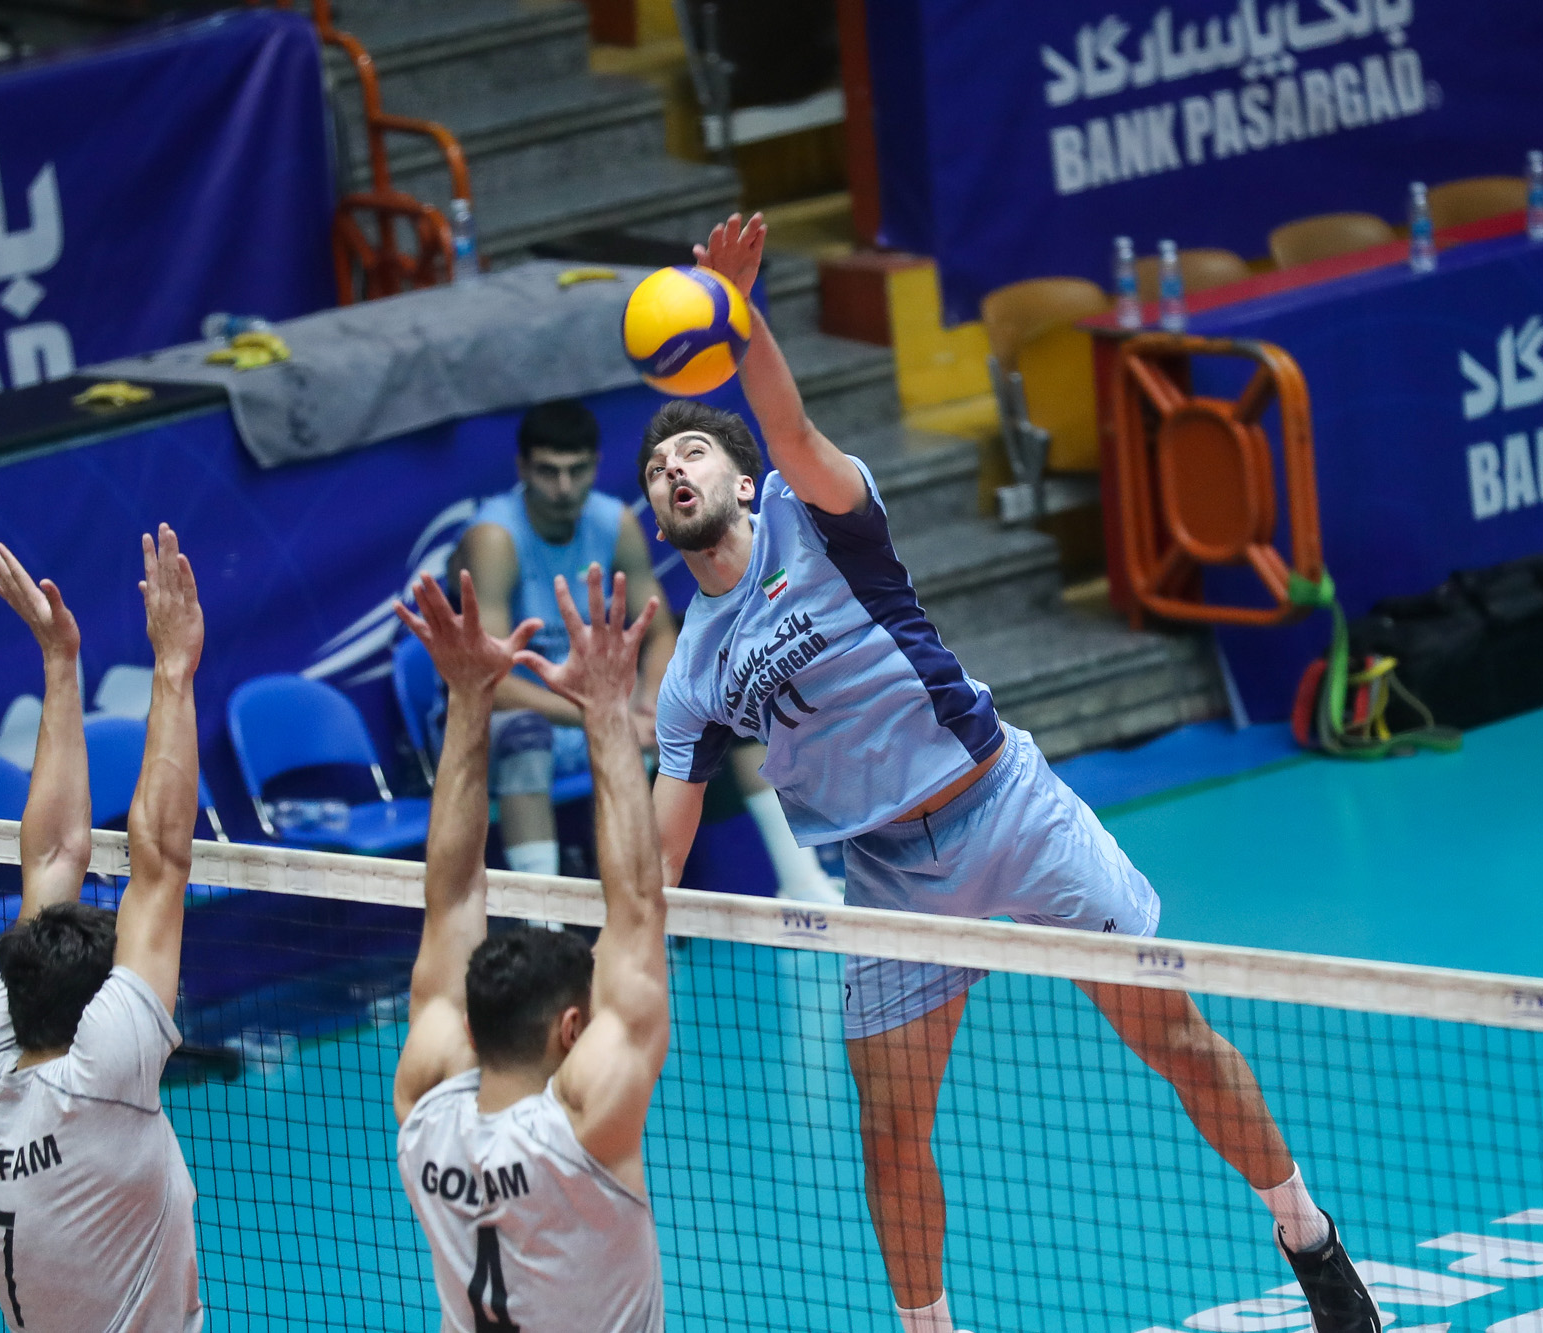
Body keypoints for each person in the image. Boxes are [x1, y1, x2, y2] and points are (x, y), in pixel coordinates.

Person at [642, 215, 1383, 1333]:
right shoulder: (691, 672)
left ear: (744, 484)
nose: (672, 472)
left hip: (1008, 809)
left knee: (1172, 1036)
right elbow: (663, 849)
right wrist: (613, 941)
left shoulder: (820, 516)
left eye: (692, 454)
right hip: (888, 883)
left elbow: (787, 426)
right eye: (656, 470)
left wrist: (737, 318)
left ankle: (1307, 1237)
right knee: (890, 1132)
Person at [391, 565, 669, 1333]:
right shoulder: (587, 1125)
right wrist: (607, 709)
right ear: (571, 1029)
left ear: (470, 1026)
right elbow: (639, 903)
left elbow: (451, 895)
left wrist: (467, 696)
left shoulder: (425, 1105)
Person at [0, 527, 207, 1333]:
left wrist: (59, 664)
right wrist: (172, 667)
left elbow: (54, 855)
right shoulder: (104, 1074)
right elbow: (160, 858)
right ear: (97, 1014)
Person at [456, 397, 835, 901]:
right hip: (525, 715)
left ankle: (803, 884)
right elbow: (488, 681)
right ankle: (541, 923)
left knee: (733, 691)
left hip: (608, 708)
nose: (564, 488)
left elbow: (658, 634)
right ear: (522, 468)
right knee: (524, 737)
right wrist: (605, 715)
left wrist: (652, 701)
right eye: (548, 472)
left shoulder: (614, 523)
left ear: (595, 466)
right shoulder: (494, 539)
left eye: (576, 471)